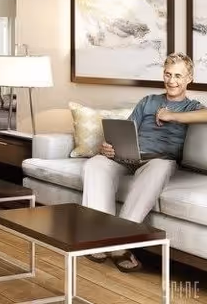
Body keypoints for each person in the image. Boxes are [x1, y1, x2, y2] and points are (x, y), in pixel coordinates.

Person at [81, 52, 207, 272]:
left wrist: (172, 116)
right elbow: (127, 130)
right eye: (168, 74)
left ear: (190, 78)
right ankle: (99, 237)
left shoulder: (191, 107)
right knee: (95, 164)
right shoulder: (148, 101)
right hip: (128, 155)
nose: (171, 81)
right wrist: (109, 146)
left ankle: (120, 244)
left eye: (178, 75)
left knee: (160, 168)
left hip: (159, 160)